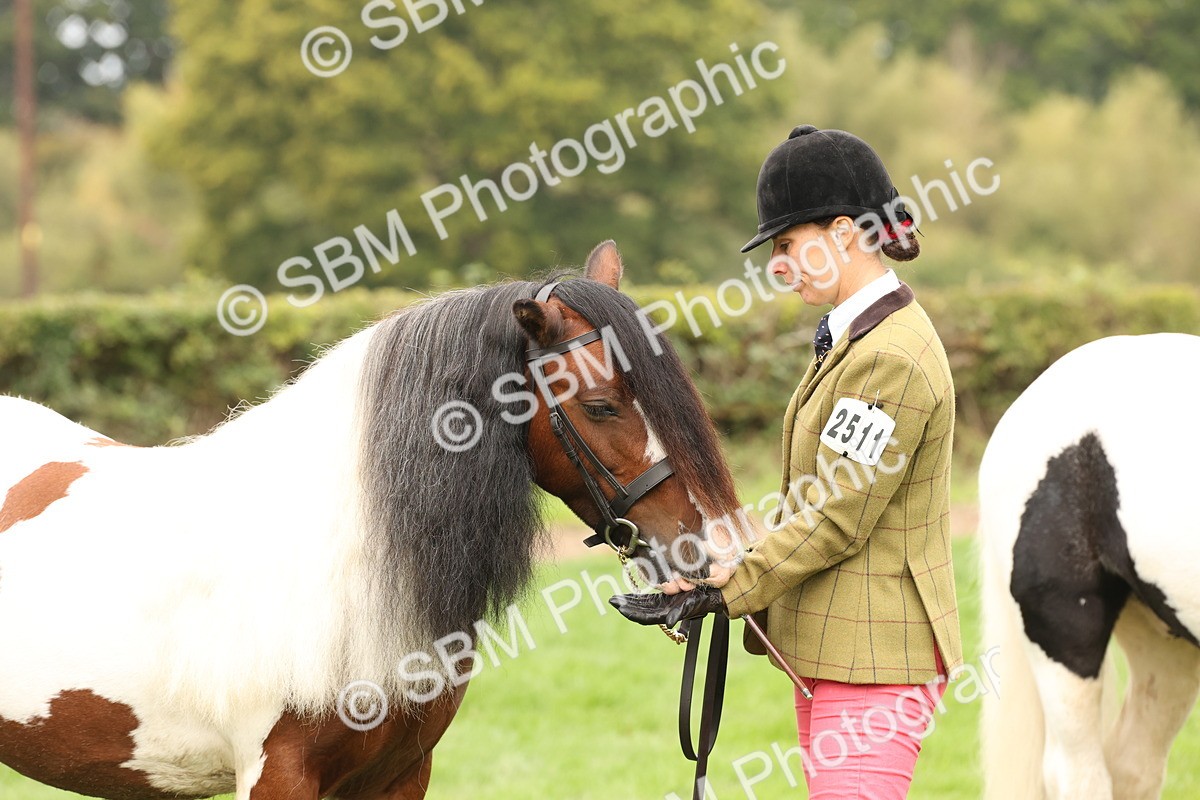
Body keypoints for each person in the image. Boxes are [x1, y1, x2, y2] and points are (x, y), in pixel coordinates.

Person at [613, 125, 962, 799]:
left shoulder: (890, 355)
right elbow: (812, 499)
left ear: (842, 233)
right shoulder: (855, 339)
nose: (779, 264)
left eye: (786, 245)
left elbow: (838, 517)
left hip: (876, 656)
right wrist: (710, 553)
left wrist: (728, 581)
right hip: (841, 651)